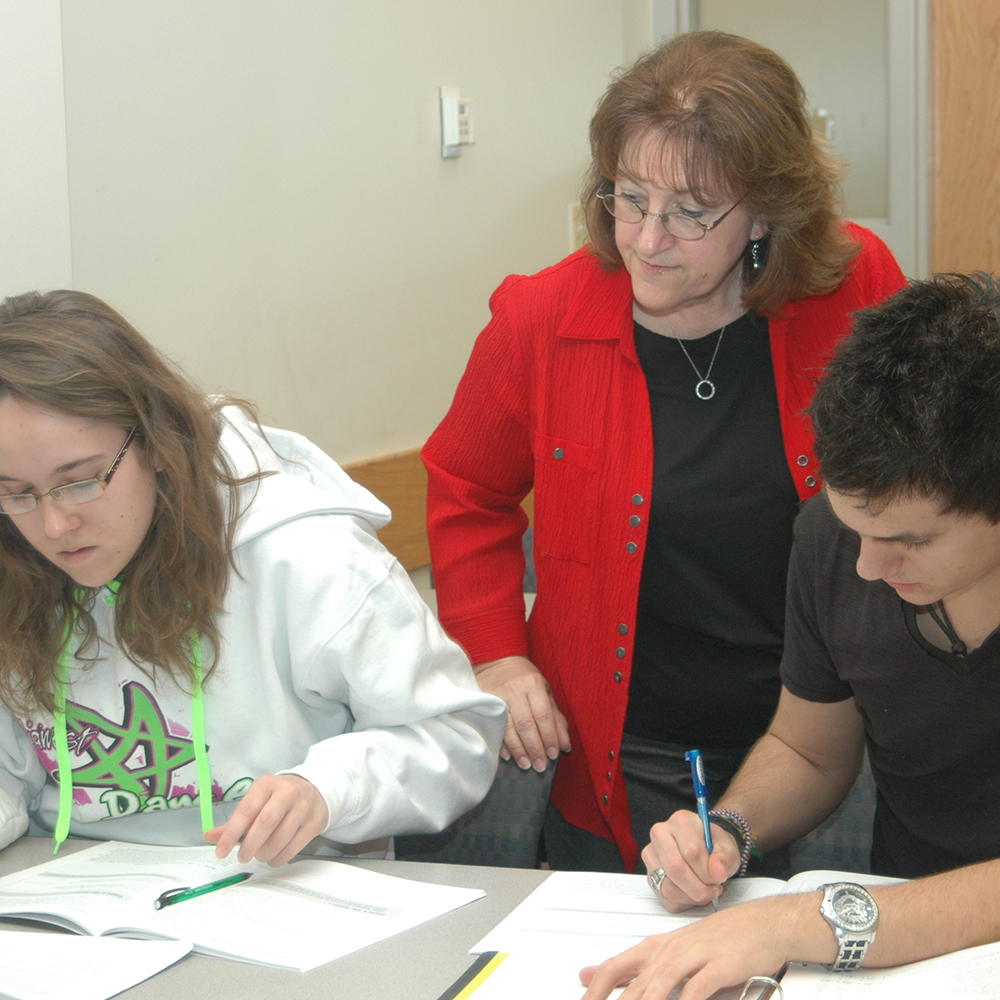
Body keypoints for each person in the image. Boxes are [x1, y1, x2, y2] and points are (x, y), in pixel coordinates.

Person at [422, 29, 906, 874]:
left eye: (690, 211)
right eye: (629, 196)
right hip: (622, 750)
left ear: (766, 208)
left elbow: (927, 484)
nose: (647, 238)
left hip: (826, 740)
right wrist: (495, 651)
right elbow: (466, 487)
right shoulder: (540, 322)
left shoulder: (854, 289)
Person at [580, 272, 1000, 999]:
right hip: (896, 945)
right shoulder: (831, 541)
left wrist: (803, 923)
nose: (869, 566)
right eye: (854, 527)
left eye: (907, 541)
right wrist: (731, 834)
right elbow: (809, 746)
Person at [0, 289, 507, 865]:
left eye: (82, 479)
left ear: (158, 441)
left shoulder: (305, 557)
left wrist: (327, 788)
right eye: (15, 492)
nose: (54, 522)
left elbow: (458, 737)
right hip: (73, 899)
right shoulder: (15, 562)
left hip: (284, 891)